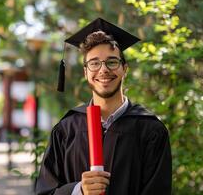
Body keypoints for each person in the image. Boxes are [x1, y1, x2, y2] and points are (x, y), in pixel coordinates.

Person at [35, 18, 172, 195]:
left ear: (124, 69)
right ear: (86, 72)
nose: (103, 69)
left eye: (112, 62)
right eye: (94, 63)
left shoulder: (151, 130)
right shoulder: (66, 129)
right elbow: (45, 192)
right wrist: (79, 190)